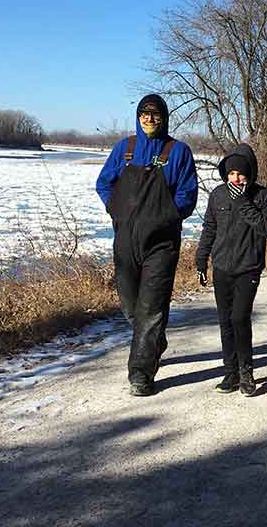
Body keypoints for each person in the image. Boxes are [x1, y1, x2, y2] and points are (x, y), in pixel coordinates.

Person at [96, 94, 198, 396]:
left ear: (164, 117)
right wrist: (116, 210)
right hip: (126, 239)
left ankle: (140, 375)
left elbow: (187, 194)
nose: (149, 118)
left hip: (161, 242)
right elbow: (104, 183)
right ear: (138, 117)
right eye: (144, 113)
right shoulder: (124, 149)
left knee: (151, 308)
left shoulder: (178, 152)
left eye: (155, 114)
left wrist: (166, 216)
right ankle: (154, 341)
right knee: (130, 305)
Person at [195, 144, 267, 396]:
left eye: (241, 174)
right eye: (231, 174)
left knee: (239, 318)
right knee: (225, 321)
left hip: (248, 268)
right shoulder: (217, 195)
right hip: (222, 266)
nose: (236, 178)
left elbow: (265, 227)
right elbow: (209, 228)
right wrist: (201, 259)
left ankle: (246, 372)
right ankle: (230, 373)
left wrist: (243, 201)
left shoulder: (263, 196)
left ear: (250, 174)